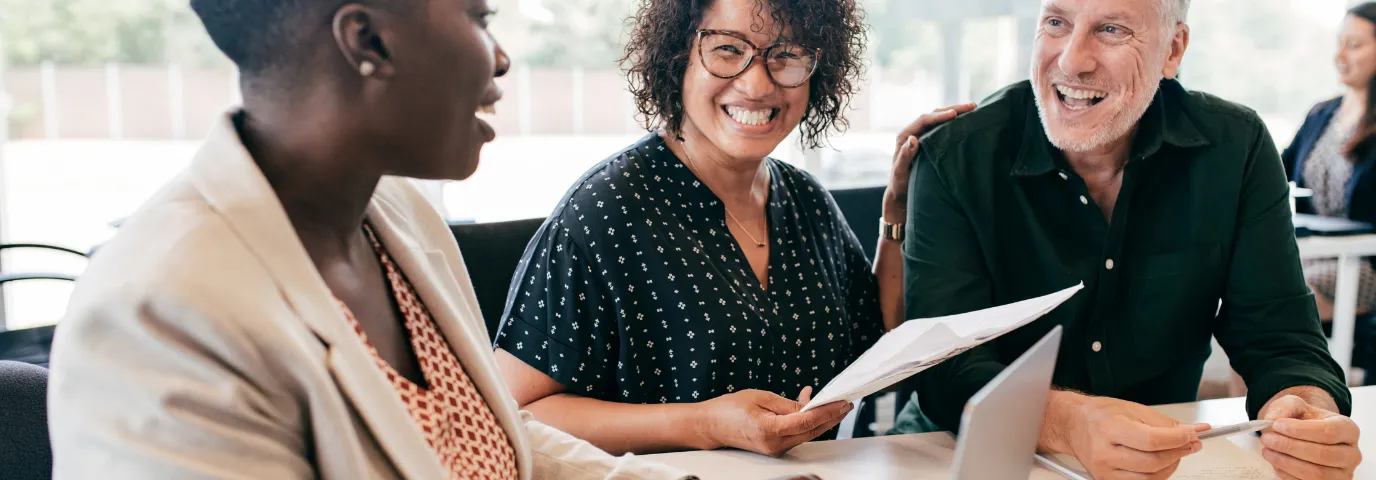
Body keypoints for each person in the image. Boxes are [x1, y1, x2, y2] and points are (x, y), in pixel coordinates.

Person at [45, 0, 695, 478]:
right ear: (368, 40)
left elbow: (487, 439)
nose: (499, 58)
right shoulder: (160, 312)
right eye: (479, 17)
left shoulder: (400, 214)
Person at [899, 0, 1363, 479]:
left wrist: (1305, 410)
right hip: (959, 453)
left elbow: (1280, 337)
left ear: (1173, 49)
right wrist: (1069, 422)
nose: (1072, 60)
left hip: (1165, 460)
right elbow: (945, 368)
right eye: (1056, 23)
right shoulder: (954, 156)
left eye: (1111, 29)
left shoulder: (1236, 147)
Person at [493, 0, 971, 456]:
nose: (758, 84)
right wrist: (703, 423)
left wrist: (898, 211)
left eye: (786, 55)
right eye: (728, 49)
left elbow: (883, 343)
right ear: (678, 55)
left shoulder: (807, 202)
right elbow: (516, 413)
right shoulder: (603, 212)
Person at [1284, 2, 1376, 323]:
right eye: (1339, 44)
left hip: (1365, 263)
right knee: (1247, 289)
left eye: (1354, 45)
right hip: (1315, 252)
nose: (1340, 57)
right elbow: (1274, 172)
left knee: (1283, 301)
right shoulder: (1321, 114)